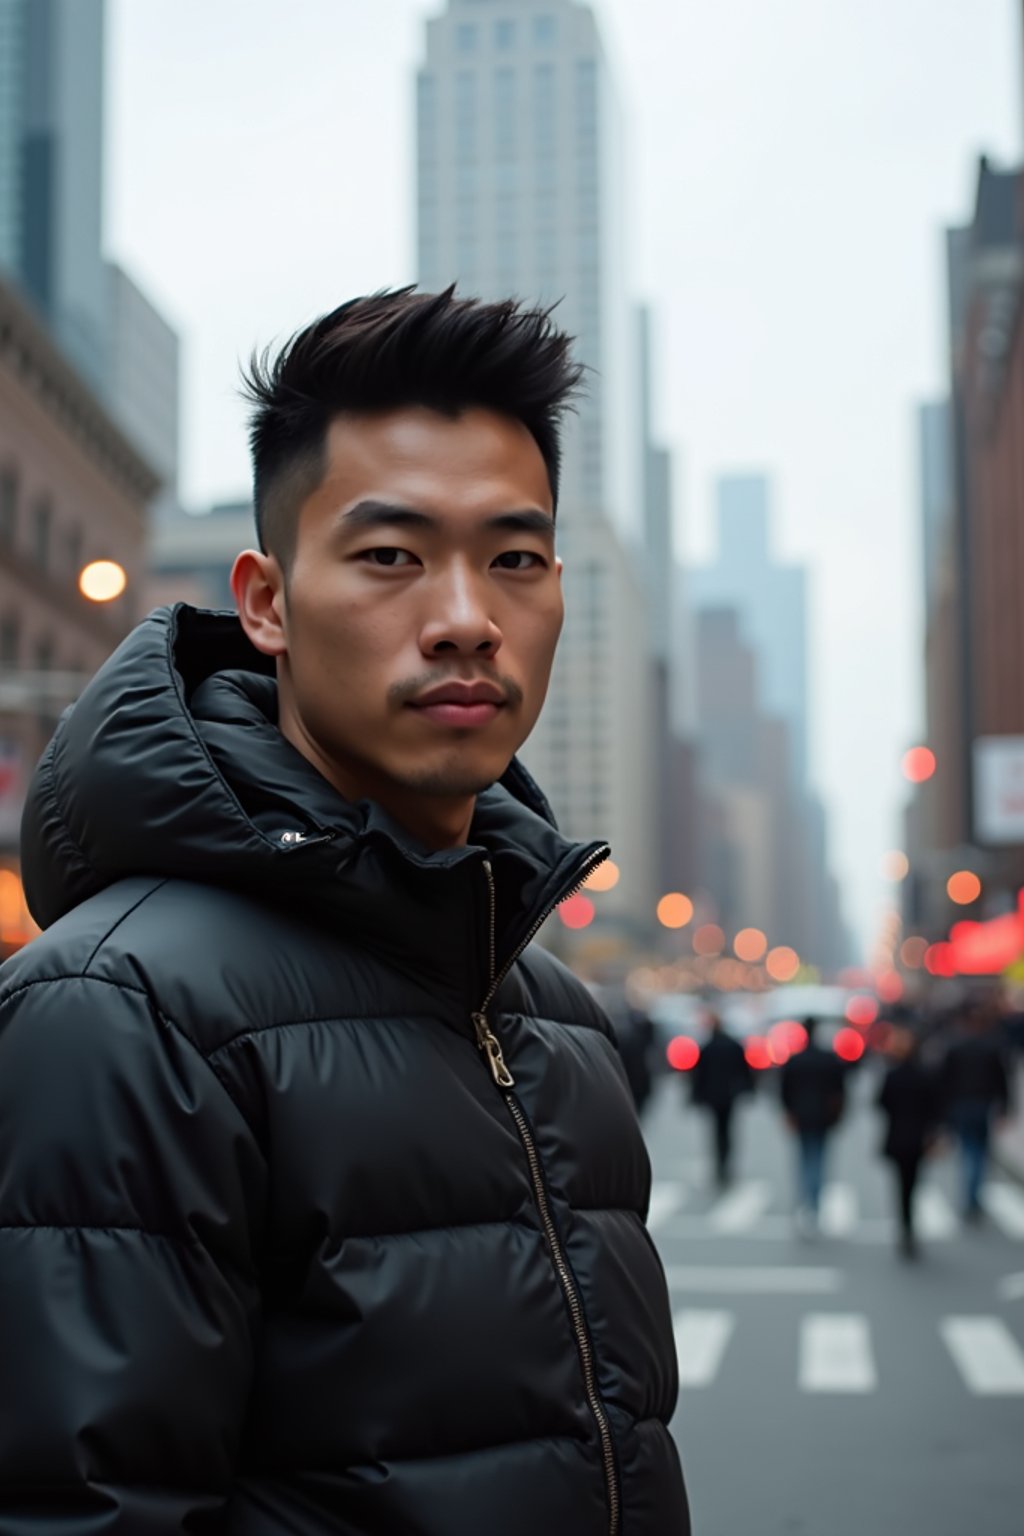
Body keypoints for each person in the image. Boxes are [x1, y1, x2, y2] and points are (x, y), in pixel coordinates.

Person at [0, 289, 690, 1534]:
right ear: (265, 602)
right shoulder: (118, 1013)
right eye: (391, 557)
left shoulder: (560, 1016)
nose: (469, 618)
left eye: (515, 559)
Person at [939, 998, 1012, 1221]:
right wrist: (1005, 1108)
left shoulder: (956, 1046)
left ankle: (971, 1197)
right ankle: (974, 1198)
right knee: (978, 1153)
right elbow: (1003, 1082)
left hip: (965, 1105)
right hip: (980, 1105)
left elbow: (944, 1083)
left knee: (969, 1153)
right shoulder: (990, 1046)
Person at [876, 1027, 940, 1260]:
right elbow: (935, 1108)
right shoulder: (926, 1075)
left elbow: (881, 1103)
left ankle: (905, 1226)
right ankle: (909, 1226)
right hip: (918, 1138)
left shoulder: (892, 1076)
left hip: (897, 1137)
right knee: (913, 1184)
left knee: (901, 1185)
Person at [779, 1016, 846, 1232]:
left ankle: (808, 1201)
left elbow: (784, 1091)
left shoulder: (796, 1060)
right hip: (823, 1117)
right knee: (818, 1159)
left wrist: (789, 1112)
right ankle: (813, 1204)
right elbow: (840, 1091)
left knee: (805, 1159)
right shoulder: (828, 1059)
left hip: (802, 1116)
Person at [690, 1012, 752, 1187]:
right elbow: (744, 1071)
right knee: (727, 1130)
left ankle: (720, 1164)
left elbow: (698, 1076)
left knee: (717, 1132)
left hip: (713, 1095)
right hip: (729, 1095)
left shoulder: (708, 1047)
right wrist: (746, 1089)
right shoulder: (733, 1046)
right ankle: (725, 1163)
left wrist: (696, 1095)